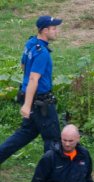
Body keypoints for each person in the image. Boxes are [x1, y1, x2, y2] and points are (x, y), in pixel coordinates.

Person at [0, 15, 62, 164]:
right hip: (40, 102)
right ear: (44, 30)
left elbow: (23, 66)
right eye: (53, 29)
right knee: (53, 139)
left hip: (28, 95)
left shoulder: (31, 43)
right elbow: (34, 78)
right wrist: (27, 105)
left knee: (25, 133)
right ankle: (51, 173)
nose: (56, 31)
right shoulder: (42, 53)